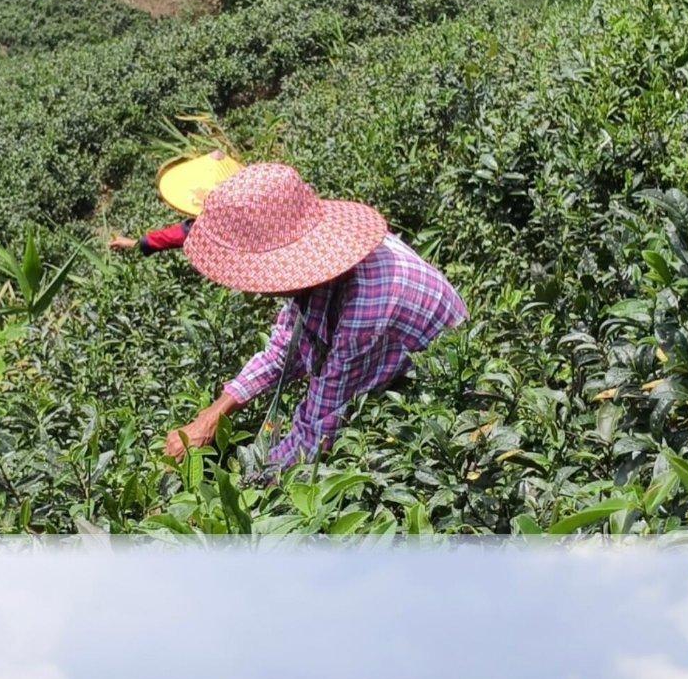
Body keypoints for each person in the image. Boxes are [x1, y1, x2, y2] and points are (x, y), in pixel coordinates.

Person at [163, 162, 470, 473]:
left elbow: (316, 434)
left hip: (440, 386)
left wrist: (238, 492)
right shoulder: (322, 266)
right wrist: (210, 417)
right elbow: (283, 350)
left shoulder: (363, 310)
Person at [108, 148, 242, 257]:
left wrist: (135, 244)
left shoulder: (203, 229)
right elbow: (168, 237)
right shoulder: (255, 213)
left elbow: (171, 237)